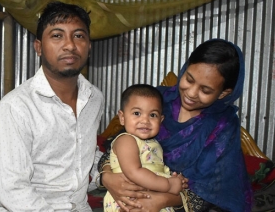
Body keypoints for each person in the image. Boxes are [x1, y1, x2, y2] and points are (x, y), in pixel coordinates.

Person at [99, 39, 253, 211]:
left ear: (223, 93)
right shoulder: (156, 100)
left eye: (205, 90)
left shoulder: (222, 125)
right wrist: (107, 177)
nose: (192, 93)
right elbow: (118, 144)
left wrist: (162, 201)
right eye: (189, 79)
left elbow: (214, 191)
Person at [0, 1, 104, 211]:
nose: (70, 45)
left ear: (88, 46)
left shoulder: (94, 98)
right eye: (57, 35)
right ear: (39, 47)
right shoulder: (16, 107)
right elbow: (14, 190)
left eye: (78, 35)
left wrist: (105, 174)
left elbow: (84, 150)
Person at [103, 84, 188, 212]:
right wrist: (169, 185)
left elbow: (156, 168)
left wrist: (175, 179)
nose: (145, 120)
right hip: (131, 199)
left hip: (152, 196)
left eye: (153, 115)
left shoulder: (154, 143)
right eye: (137, 113)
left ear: (161, 119)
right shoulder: (126, 140)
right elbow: (134, 172)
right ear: (122, 117)